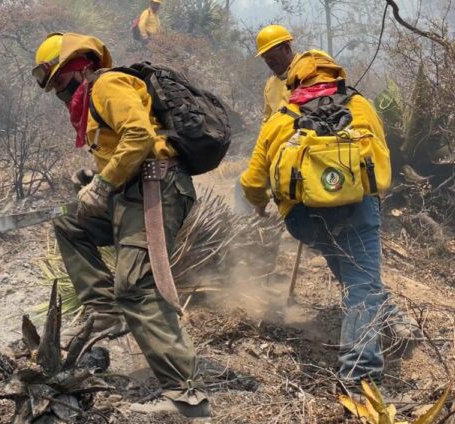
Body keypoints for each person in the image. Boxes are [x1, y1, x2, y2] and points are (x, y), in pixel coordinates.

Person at [32, 32, 210, 418]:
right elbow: (121, 148)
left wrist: (105, 182)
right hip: (134, 190)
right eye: (53, 88)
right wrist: (95, 179)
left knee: (137, 287)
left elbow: (141, 136)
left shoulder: (108, 84)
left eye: (60, 82)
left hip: (157, 187)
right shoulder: (90, 101)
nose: (59, 94)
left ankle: (188, 397)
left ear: (80, 67)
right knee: (69, 225)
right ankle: (107, 316)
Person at [239, 51, 420, 391]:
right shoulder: (360, 106)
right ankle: (360, 374)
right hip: (356, 208)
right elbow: (382, 154)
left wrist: (260, 205)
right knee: (361, 284)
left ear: (295, 82)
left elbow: (252, 181)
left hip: (303, 218)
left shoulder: (281, 118)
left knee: (347, 266)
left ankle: (387, 321)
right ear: (335, 75)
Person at [256, 24, 295, 123]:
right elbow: (267, 119)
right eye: (265, 58)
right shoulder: (270, 85)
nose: (269, 61)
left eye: (272, 56)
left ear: (286, 49)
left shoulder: (309, 71)